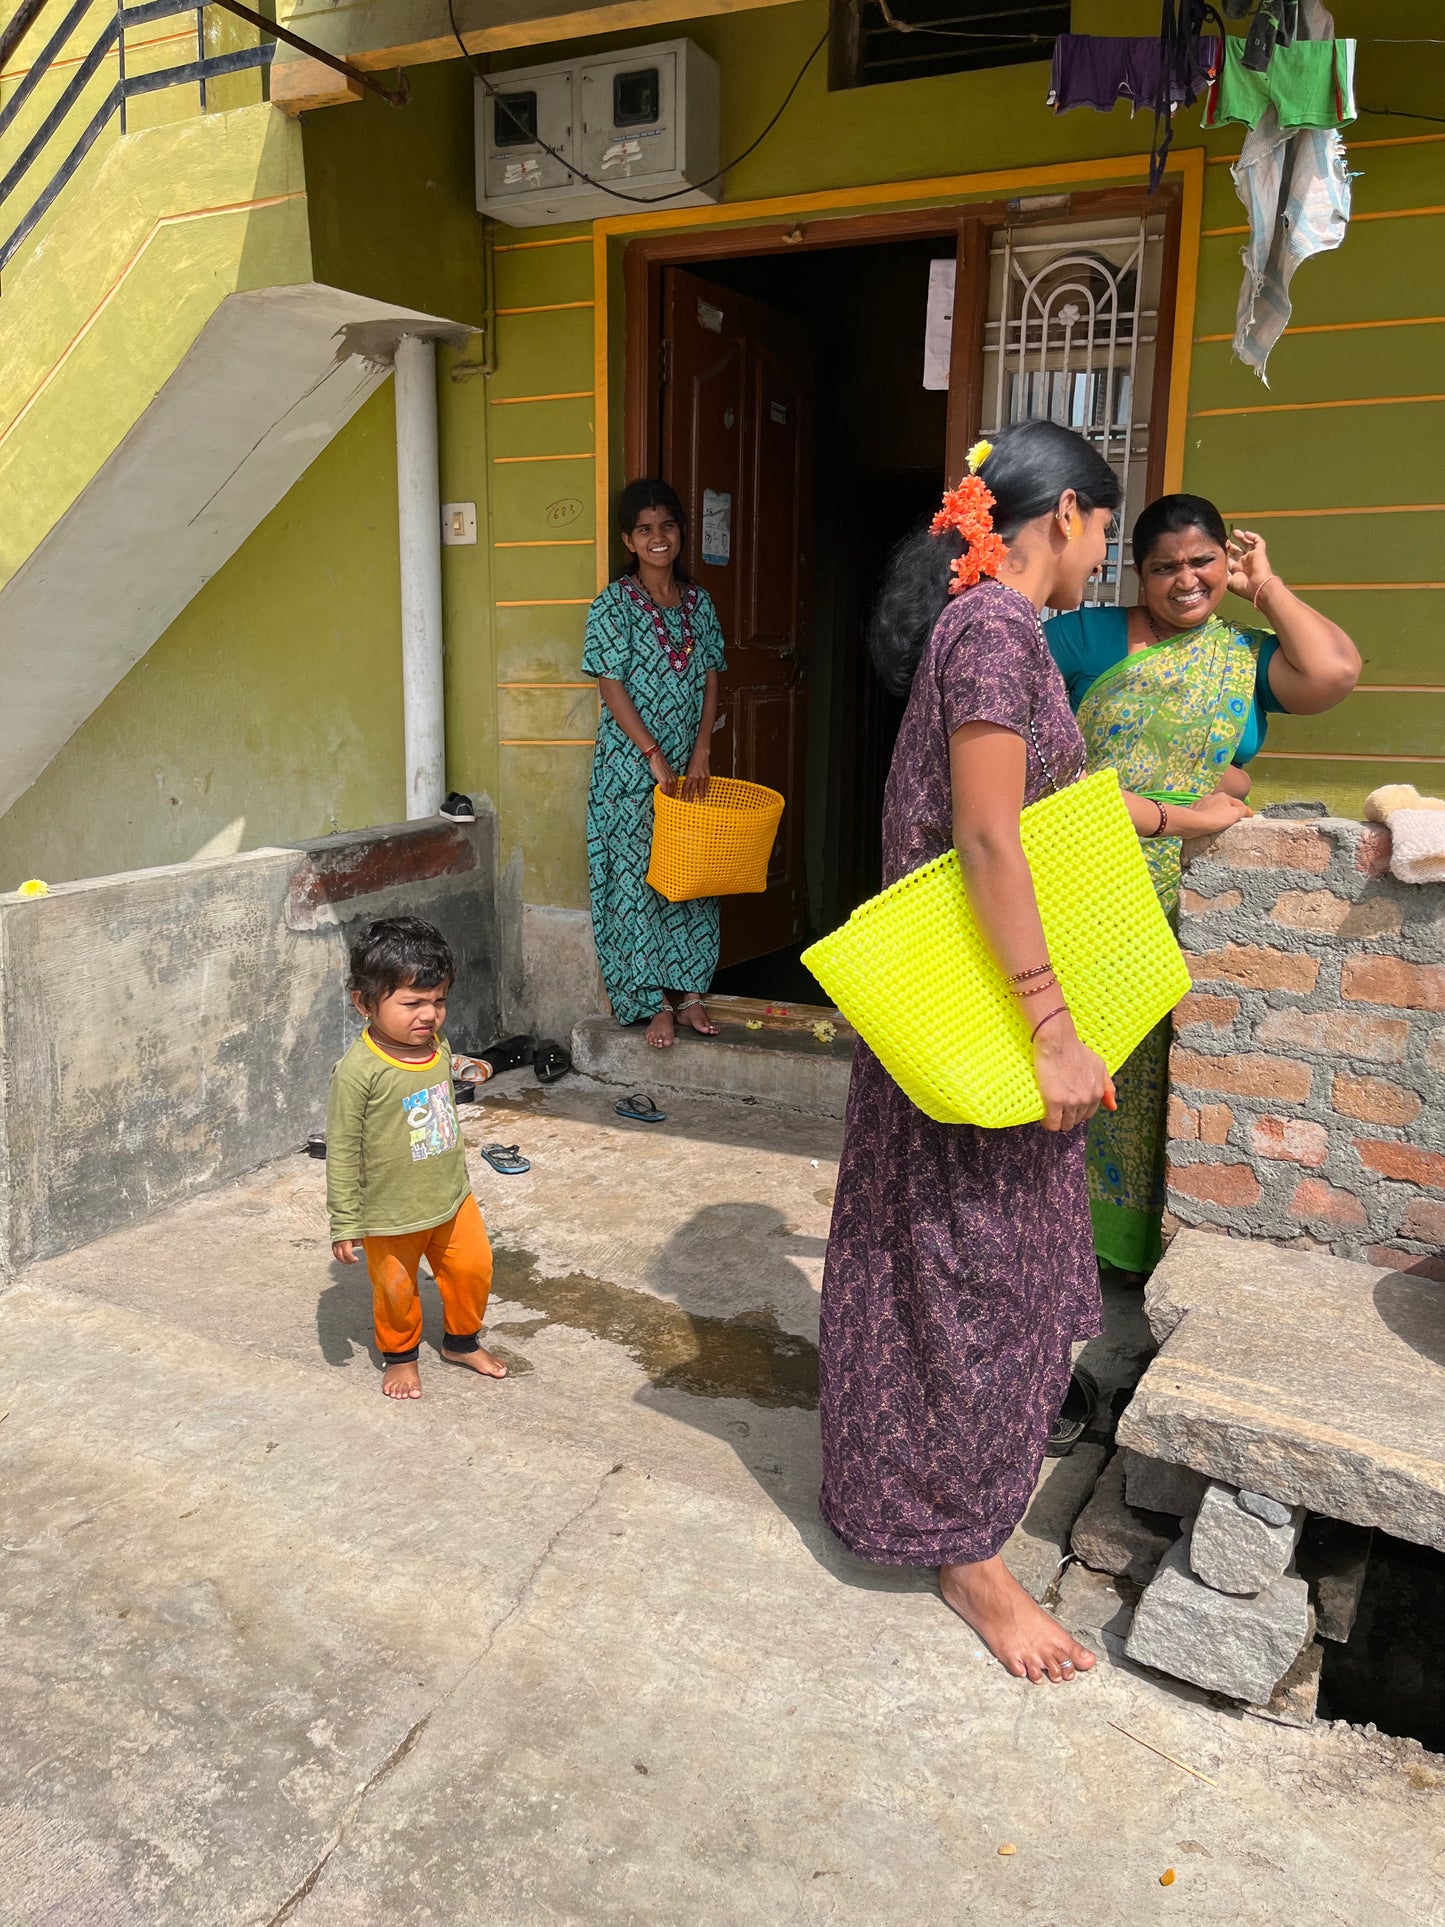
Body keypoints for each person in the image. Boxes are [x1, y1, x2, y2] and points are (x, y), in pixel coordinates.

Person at [819, 419, 1121, 1686]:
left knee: (958, 1265)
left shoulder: (986, 634)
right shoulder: (996, 631)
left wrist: (1164, 811)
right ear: (1064, 517)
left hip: (977, 1010)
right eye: (1104, 526)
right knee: (963, 1276)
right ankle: (965, 1554)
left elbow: (1027, 813)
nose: (1103, 552)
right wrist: (1052, 1026)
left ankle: (947, 1493)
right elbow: (993, 843)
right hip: (989, 1017)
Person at [1045, 494, 1360, 1277]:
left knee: (1150, 1073)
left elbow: (1332, 670)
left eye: (1202, 562)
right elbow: (1028, 756)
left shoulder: (1245, 654)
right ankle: (1044, 1241)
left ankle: (1118, 1248)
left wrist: (1268, 588)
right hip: (1079, 883)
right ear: (1136, 574)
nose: (1184, 580)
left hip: (1187, 903)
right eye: (1163, 568)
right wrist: (1188, 781)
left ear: (1226, 558)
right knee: (1064, 1056)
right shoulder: (1080, 636)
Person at [326, 916, 507, 1400]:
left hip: (451, 1195)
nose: (429, 1015)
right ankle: (401, 1356)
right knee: (396, 1292)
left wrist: (464, 1065)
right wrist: (345, 1221)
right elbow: (342, 1149)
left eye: (439, 1000)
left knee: (473, 1269)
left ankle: (461, 1342)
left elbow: (442, 1070)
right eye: (412, 1003)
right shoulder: (358, 1071)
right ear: (364, 1002)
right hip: (390, 1213)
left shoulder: (434, 1044)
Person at [583, 479, 728, 1050]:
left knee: (691, 876)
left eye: (666, 525)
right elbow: (610, 684)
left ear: (680, 532)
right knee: (640, 880)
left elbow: (712, 675)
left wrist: (701, 751)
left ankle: (689, 993)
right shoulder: (613, 604)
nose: (657, 537)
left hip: (687, 770)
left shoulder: (700, 603)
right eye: (645, 529)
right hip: (629, 770)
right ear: (629, 539)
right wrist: (652, 757)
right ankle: (650, 1002)